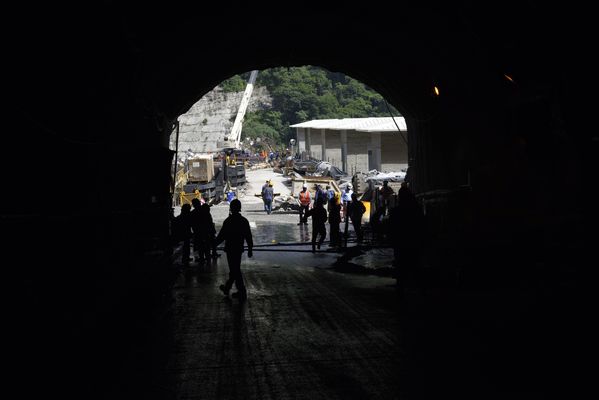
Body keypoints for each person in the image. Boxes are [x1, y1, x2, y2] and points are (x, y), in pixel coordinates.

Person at [387, 182, 426, 296]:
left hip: (401, 244)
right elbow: (422, 226)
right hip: (414, 243)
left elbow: (391, 228)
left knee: (401, 268)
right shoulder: (416, 210)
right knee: (415, 266)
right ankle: (419, 290)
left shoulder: (396, 212)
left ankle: (401, 291)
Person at [216, 199, 253, 302]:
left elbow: (221, 236)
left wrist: (213, 245)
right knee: (235, 269)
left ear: (231, 208)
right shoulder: (244, 221)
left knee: (235, 270)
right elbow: (248, 236)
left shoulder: (228, 221)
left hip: (230, 249)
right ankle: (228, 288)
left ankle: (241, 291)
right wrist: (250, 249)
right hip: (238, 249)